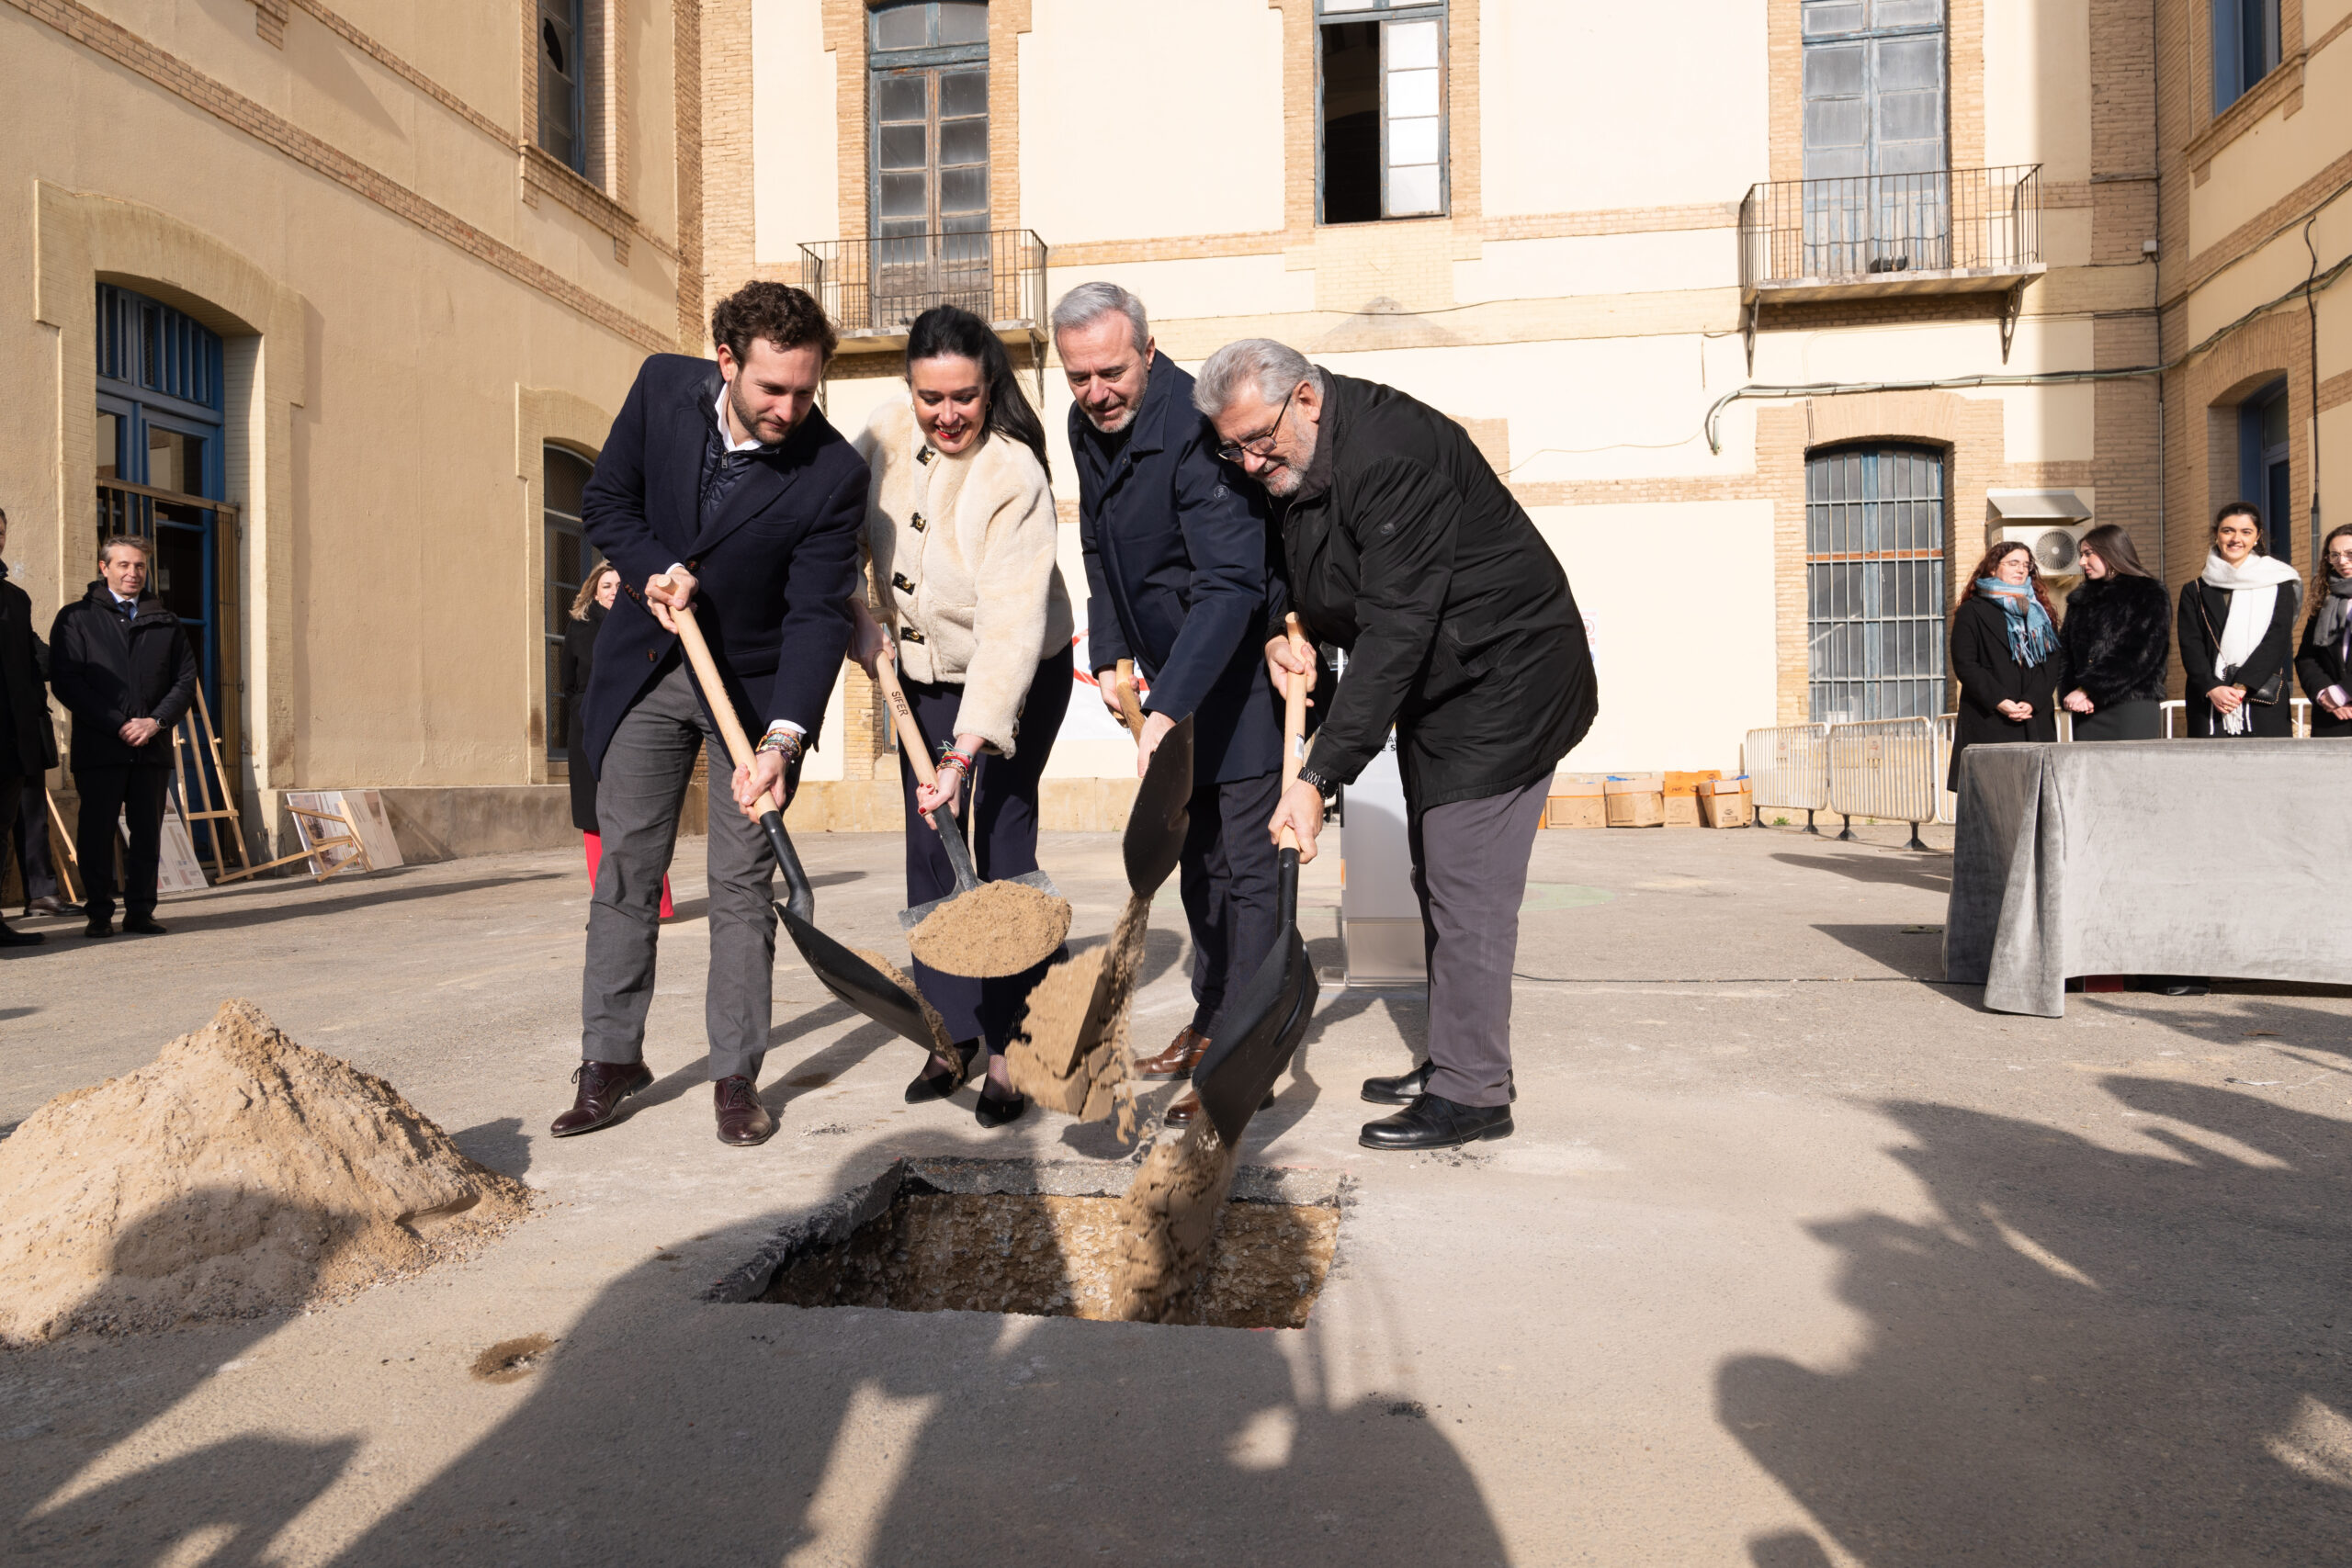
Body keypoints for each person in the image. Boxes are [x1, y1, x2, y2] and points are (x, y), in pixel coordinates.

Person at [1196, 338, 1597, 1153]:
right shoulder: (1298, 461)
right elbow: (1306, 578)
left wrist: (1315, 777)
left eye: (1257, 440)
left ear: (1305, 398)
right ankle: (1461, 1053)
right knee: (1440, 871)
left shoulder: (1392, 458)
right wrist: (1284, 635)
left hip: (1507, 677)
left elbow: (1395, 633)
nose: (1245, 461)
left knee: (1467, 882)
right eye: (1229, 447)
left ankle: (1474, 1092)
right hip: (1444, 684)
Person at [555, 280, 865, 1149]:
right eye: (772, 388)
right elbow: (607, 501)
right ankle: (610, 1059)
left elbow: (816, 612)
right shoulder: (660, 388)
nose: (789, 408)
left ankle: (736, 1075)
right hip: (649, 666)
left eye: (806, 390)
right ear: (726, 361)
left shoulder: (832, 471)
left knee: (742, 888)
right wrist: (654, 567)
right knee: (627, 871)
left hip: (758, 694)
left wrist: (783, 738)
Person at [1053, 284, 1286, 1129]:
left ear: (1150, 353)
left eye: (1112, 371)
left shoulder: (1194, 432)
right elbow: (1098, 542)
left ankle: (1242, 1054)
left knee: (1248, 874)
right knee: (1196, 861)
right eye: (1078, 376)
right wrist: (1111, 648)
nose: (1097, 392)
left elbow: (1231, 588)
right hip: (1169, 680)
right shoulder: (1087, 427)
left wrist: (1167, 707)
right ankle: (1210, 1016)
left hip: (1243, 678)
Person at [847, 305, 1073, 1130]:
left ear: (989, 388)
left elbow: (1011, 630)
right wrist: (853, 607)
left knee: (1000, 843)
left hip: (1016, 679)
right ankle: (949, 1035)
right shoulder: (879, 433)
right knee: (930, 847)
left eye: (964, 399)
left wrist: (967, 748)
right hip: (918, 676)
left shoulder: (1014, 476)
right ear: (910, 387)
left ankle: (1014, 1050)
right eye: (930, 397)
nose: (946, 416)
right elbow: (833, 524)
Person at [48, 535, 196, 939]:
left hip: (152, 746)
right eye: (124, 565)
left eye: (140, 567)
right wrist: (118, 722)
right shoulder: (76, 618)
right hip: (101, 747)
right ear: (104, 568)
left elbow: (184, 680)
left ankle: (141, 912)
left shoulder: (165, 621)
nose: (133, 573)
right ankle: (98, 913)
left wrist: (156, 722)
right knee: (96, 832)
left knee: (147, 833)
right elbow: (67, 681)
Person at [560, 561, 672, 918]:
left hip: (635, 724)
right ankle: (607, 902)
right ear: (594, 590)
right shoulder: (578, 628)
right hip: (587, 725)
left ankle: (659, 905)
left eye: (619, 585)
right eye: (605, 585)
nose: (612, 591)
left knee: (642, 815)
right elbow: (568, 682)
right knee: (593, 814)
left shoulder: (644, 623)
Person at [2178, 501, 2301, 738]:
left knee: (2267, 770)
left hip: (2262, 695)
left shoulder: (2279, 582)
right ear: (2216, 534)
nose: (2236, 539)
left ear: (2257, 537)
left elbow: (2278, 638)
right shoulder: (2194, 590)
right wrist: (2213, 688)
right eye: (2228, 531)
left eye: (2246, 532)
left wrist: (2241, 686)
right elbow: (2190, 645)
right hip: (2210, 700)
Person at [1949, 541, 2060, 788]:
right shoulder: (1972, 611)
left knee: (2034, 795)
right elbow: (1966, 663)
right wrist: (2000, 701)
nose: (2021, 569)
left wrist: (2032, 700)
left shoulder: (2039, 610)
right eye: (2013, 563)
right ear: (1992, 569)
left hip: (2033, 716)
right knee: (1994, 795)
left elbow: (2052, 661)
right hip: (1990, 716)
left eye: (2025, 565)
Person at [0, 503, 60, 946]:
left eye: (0, 532)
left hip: (10, 745)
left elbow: (34, 655)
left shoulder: (15, 599)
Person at [2058, 523, 2171, 741]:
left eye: (2088, 554)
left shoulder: (2147, 593)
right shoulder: (2080, 599)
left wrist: (2088, 688)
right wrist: (2072, 693)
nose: (2082, 562)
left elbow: (2139, 654)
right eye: (2082, 555)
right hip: (2088, 710)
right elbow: (2067, 654)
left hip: (2130, 707)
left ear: (2112, 552)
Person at [2295, 522, 2352, 738]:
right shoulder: (2325, 604)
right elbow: (2306, 658)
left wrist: (2343, 691)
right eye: (2334, 555)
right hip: (2332, 717)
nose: (2342, 561)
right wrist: (2324, 694)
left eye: (2350, 553)